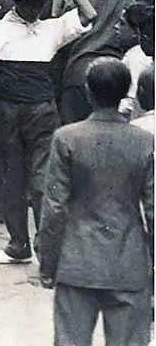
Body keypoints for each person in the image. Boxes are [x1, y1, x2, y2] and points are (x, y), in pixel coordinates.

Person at [0, 0, 97, 265]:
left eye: (41, 3)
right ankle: (18, 244)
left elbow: (89, 15)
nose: (37, 9)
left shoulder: (52, 28)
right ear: (18, 3)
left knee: (41, 182)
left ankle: (46, 248)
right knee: (13, 179)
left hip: (43, 111)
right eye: (31, 4)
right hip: (8, 113)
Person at [38, 57, 154, 346]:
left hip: (77, 260)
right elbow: (154, 210)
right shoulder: (144, 141)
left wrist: (48, 263)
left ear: (88, 92)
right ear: (126, 91)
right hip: (129, 263)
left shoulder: (67, 138)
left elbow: (54, 207)